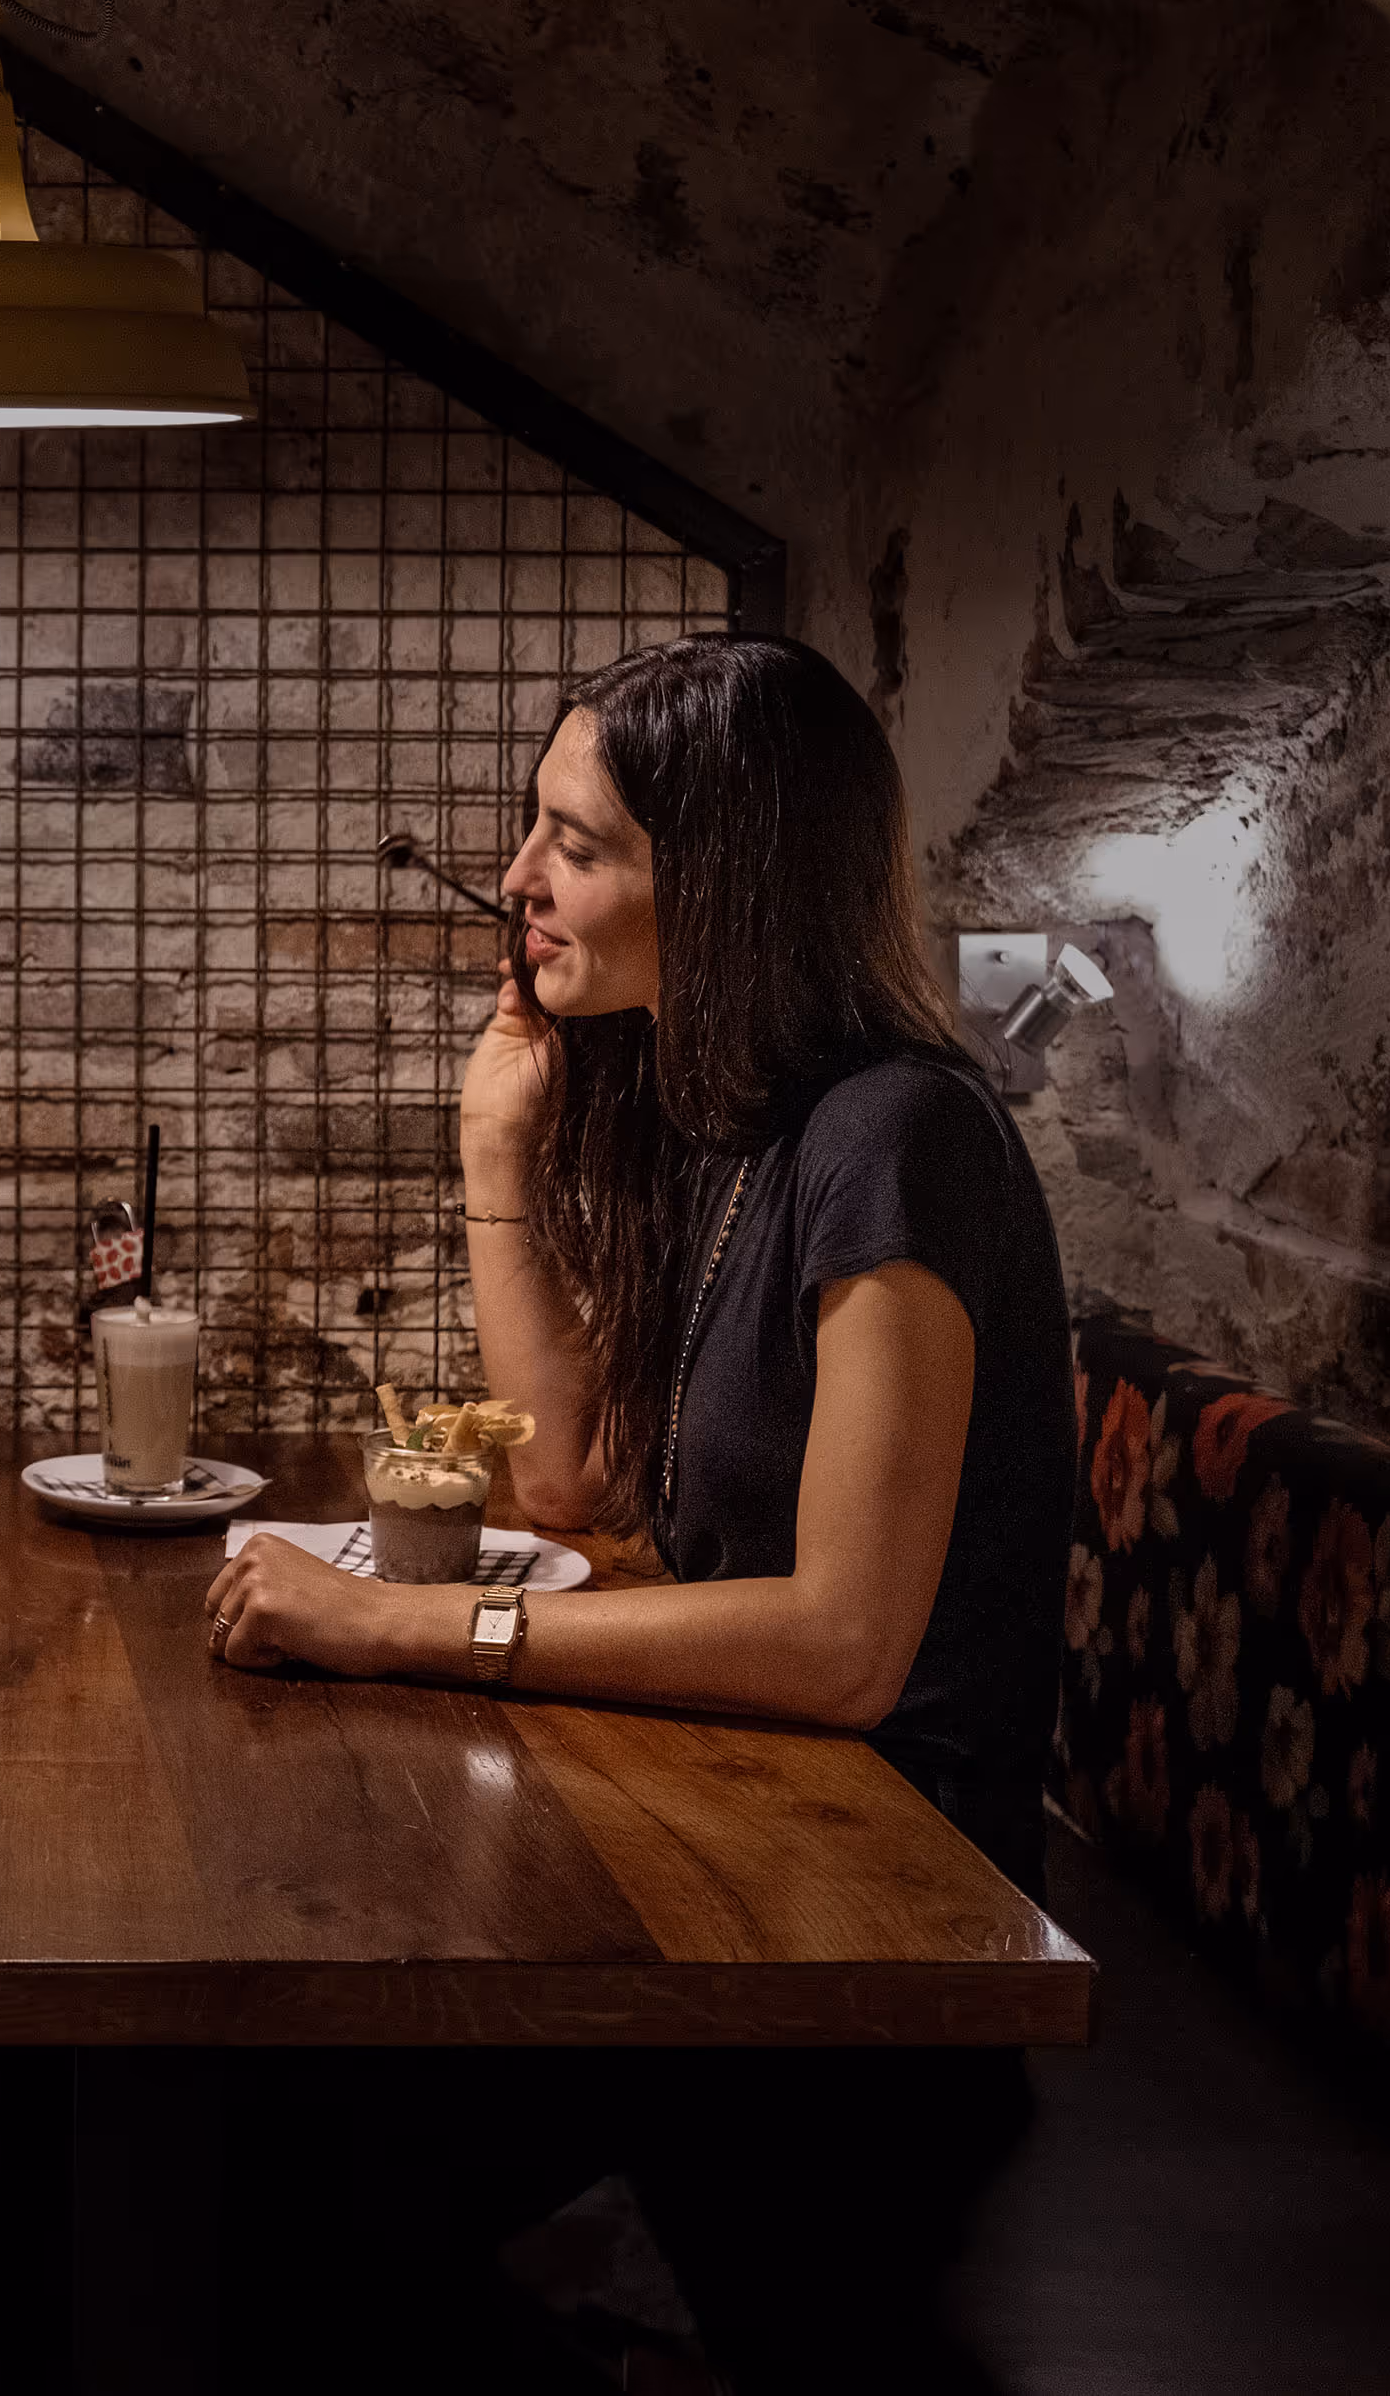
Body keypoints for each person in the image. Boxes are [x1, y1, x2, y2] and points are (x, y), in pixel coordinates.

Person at [203, 632, 1072, 2395]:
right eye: (536, 828)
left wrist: (399, 1627)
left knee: (282, 2162)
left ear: (728, 881)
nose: (518, 876)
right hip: (741, 1849)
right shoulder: (732, 1120)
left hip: (874, 1937)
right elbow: (570, 1477)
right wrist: (495, 1155)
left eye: (576, 844)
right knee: (242, 2112)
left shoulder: (897, 1138)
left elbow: (843, 1645)